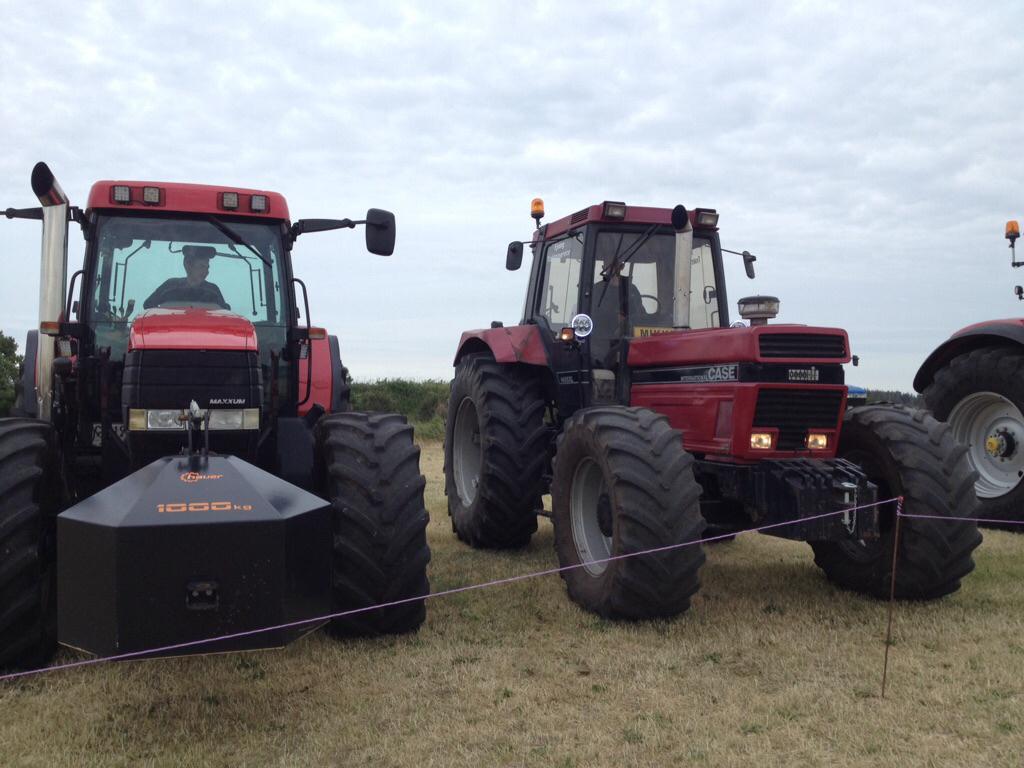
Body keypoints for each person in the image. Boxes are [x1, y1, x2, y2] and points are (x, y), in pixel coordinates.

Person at [144, 245, 230, 309]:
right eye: (201, 266)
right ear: (187, 265)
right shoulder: (169, 287)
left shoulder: (213, 291)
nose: (206, 272)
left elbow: (225, 313)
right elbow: (148, 306)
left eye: (207, 267)